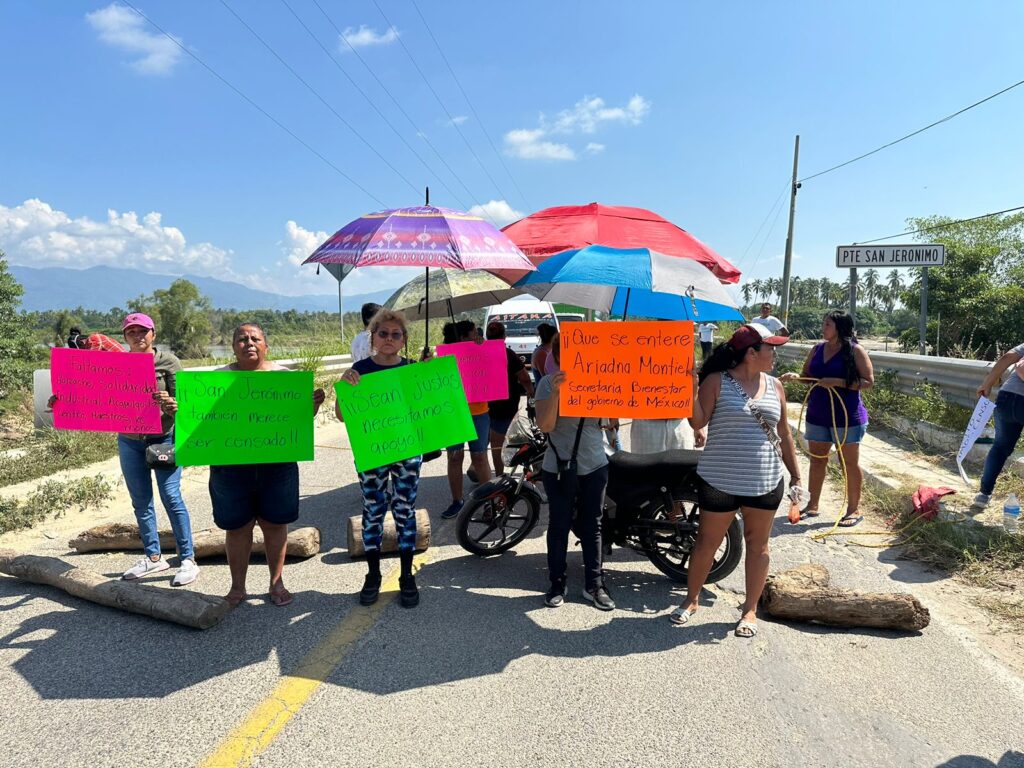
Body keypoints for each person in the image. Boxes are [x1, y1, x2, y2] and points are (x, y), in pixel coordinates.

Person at [173, 323, 325, 607]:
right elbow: (200, 421)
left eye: (255, 338)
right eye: (241, 339)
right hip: (231, 467)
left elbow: (299, 420)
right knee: (237, 527)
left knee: (275, 524)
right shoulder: (216, 381)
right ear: (233, 346)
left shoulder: (285, 379)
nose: (249, 343)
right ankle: (237, 587)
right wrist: (180, 412)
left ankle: (276, 583)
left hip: (277, 466)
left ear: (266, 345)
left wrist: (313, 405)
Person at [671, 324, 802, 637]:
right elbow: (697, 420)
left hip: (766, 481)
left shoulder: (776, 387)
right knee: (706, 543)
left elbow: (784, 435)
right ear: (751, 354)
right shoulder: (717, 381)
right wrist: (689, 388)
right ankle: (691, 600)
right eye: (771, 348)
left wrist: (797, 477)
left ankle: (750, 611)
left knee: (759, 546)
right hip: (719, 480)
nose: (775, 354)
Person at [337, 309, 422, 607]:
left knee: (404, 511)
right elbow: (340, 415)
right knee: (372, 511)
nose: (388, 339)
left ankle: (405, 576)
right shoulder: (359, 369)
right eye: (382, 333)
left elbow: (430, 412)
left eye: (395, 334)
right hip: (372, 452)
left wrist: (433, 377)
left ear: (404, 340)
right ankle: (372, 574)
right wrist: (345, 388)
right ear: (372, 337)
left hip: (407, 452)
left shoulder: (414, 370)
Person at [114, 314, 198, 585]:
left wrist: (171, 405)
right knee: (141, 501)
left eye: (143, 331)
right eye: (131, 332)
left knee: (171, 496)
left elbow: (185, 403)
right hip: (129, 440)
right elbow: (100, 396)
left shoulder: (168, 362)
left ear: (153, 334)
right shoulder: (116, 364)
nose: (137, 336)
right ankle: (153, 558)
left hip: (164, 437)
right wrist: (65, 400)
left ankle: (187, 559)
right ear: (125, 336)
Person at [534, 332, 614, 610]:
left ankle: (595, 584)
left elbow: (610, 422)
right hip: (558, 466)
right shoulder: (546, 384)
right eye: (566, 351)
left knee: (593, 525)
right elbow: (544, 425)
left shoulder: (599, 380)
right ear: (557, 356)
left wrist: (611, 401)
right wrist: (556, 393)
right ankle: (557, 582)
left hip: (594, 463)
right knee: (559, 525)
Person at [781, 311, 874, 526]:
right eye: (823, 323)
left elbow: (868, 382)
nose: (823, 328)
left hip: (848, 417)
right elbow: (808, 377)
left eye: (828, 324)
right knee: (817, 459)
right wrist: (797, 378)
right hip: (818, 414)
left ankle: (853, 510)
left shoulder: (855, 351)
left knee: (848, 463)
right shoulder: (817, 349)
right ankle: (813, 506)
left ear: (840, 328)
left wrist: (838, 382)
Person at [441, 320, 492, 519]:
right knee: (455, 456)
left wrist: (484, 348)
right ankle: (457, 501)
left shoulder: (480, 349)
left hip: (479, 411)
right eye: (473, 333)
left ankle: (490, 502)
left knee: (479, 457)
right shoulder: (445, 355)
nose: (476, 335)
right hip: (454, 413)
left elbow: (494, 369)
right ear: (462, 337)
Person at [972, 342, 1024, 511]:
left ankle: (983, 495)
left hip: (1007, 396)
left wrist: (987, 383)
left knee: (1000, 447)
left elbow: (1007, 357)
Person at [486, 321, 535, 476]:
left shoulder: (481, 354)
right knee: (512, 440)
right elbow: (524, 377)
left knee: (493, 441)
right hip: (506, 405)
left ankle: (495, 472)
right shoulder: (508, 354)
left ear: (487, 336)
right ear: (504, 337)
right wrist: (530, 391)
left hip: (485, 405)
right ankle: (516, 472)